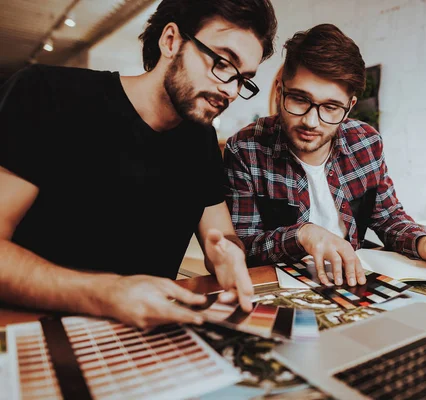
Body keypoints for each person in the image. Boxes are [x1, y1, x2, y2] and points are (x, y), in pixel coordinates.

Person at [0, 0, 277, 328]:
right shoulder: (47, 94)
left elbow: (222, 237)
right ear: (171, 40)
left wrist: (226, 254)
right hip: (33, 332)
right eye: (221, 63)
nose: (230, 90)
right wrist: (108, 293)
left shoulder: (200, 139)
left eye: (243, 78)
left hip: (145, 340)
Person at [224, 24, 426, 287]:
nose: (311, 121)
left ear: (349, 107)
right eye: (299, 100)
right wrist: (301, 235)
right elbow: (242, 247)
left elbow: (388, 217)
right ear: (281, 90)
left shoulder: (366, 143)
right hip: (279, 288)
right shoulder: (245, 148)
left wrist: (422, 242)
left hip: (353, 283)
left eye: (330, 107)